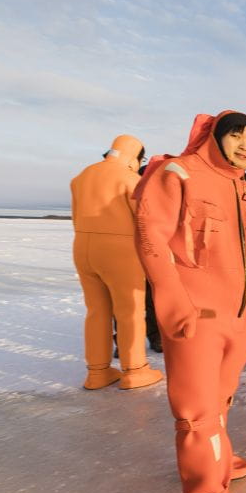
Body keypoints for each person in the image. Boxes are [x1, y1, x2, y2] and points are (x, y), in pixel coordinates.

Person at [134, 111, 246, 493]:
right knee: (196, 411)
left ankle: (217, 461)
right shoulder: (177, 172)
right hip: (197, 316)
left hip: (238, 318)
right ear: (214, 137)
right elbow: (151, 237)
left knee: (218, 401)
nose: (245, 145)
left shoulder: (241, 187)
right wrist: (172, 299)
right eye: (236, 135)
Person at [71, 135, 164, 390]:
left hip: (82, 247)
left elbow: (75, 215)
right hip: (120, 250)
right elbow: (145, 221)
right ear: (135, 156)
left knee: (96, 311)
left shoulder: (82, 177)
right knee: (129, 311)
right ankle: (135, 370)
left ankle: (97, 372)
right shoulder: (129, 178)